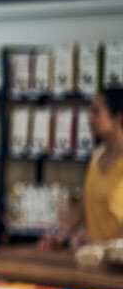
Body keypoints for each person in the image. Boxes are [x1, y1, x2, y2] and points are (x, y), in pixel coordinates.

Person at [39, 88, 123, 249]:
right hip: (93, 260)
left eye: (96, 111)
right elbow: (84, 204)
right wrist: (61, 235)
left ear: (117, 118)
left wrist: (105, 245)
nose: (89, 117)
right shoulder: (96, 158)